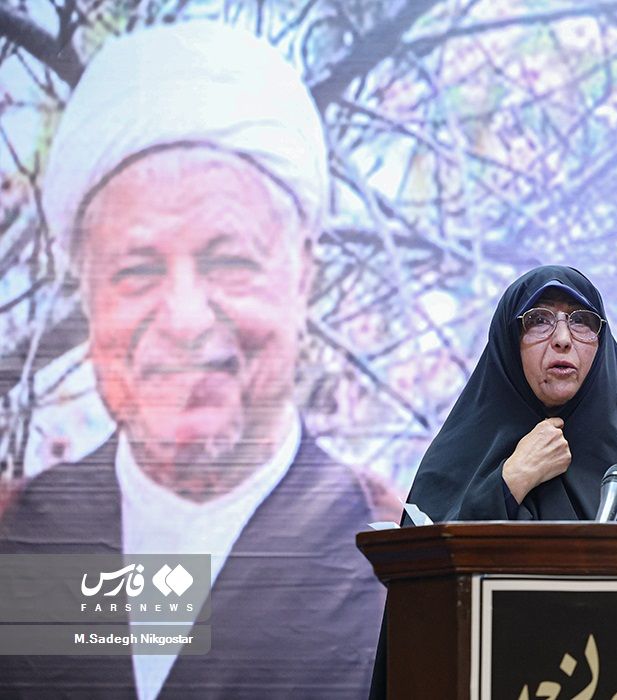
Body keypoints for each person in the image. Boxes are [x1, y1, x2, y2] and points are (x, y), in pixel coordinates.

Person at [0, 22, 394, 698]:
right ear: (86, 290)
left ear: (305, 277)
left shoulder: (404, 573)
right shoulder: (18, 549)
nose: (184, 320)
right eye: (136, 270)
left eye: (231, 262)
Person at [405, 265, 617, 522]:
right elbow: (422, 573)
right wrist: (512, 480)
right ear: (508, 342)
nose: (562, 339)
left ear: (602, 345)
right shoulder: (459, 458)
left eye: (582, 321)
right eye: (538, 320)